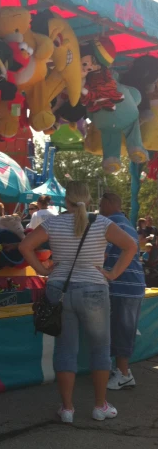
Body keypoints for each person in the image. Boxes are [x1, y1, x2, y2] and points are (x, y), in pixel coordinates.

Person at [19, 181, 137, 424]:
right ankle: (99, 406)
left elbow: (25, 245)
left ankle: (67, 408)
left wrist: (42, 268)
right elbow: (131, 246)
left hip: (59, 289)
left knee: (65, 349)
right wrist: (113, 273)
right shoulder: (102, 223)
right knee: (100, 349)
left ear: (66, 200)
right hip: (94, 289)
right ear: (89, 201)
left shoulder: (53, 222)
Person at [99, 192, 146, 390]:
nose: (99, 208)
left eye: (101, 203)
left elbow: (102, 253)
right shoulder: (127, 224)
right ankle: (122, 371)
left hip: (123, 285)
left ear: (109, 203)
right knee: (122, 329)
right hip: (132, 285)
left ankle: (123, 373)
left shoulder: (110, 224)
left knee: (121, 330)